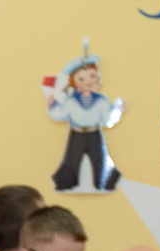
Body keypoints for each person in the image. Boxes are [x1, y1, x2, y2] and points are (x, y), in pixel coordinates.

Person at [46, 49, 122, 193]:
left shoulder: (101, 101)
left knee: (100, 159)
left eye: (92, 76)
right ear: (74, 81)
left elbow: (107, 119)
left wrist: (117, 109)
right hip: (77, 134)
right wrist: (51, 104)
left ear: (97, 79)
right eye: (81, 79)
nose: (87, 81)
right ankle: (66, 183)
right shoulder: (71, 101)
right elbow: (60, 114)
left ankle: (105, 182)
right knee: (71, 160)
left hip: (94, 133)